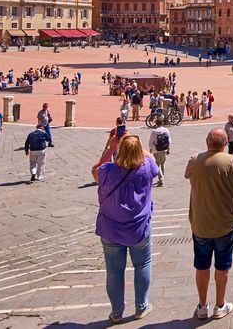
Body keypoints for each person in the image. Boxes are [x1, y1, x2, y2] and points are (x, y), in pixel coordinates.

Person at [92, 134, 160, 323]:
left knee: (114, 271)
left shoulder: (108, 171)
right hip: (139, 227)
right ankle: (141, 306)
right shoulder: (146, 168)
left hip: (110, 228)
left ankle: (116, 311)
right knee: (142, 265)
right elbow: (152, 158)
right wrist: (136, 146)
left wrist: (113, 147)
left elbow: (95, 169)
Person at [185, 128, 233, 320]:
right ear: (224, 144)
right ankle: (220, 304)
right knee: (222, 267)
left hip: (200, 224)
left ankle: (202, 306)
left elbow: (188, 175)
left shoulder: (194, 160)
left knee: (201, 266)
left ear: (207, 142)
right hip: (225, 224)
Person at [148, 121, 171, 187]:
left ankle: (161, 179)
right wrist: (168, 149)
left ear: (156, 123)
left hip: (156, 150)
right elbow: (169, 140)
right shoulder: (166, 130)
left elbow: (151, 141)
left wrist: (150, 149)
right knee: (162, 164)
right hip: (164, 149)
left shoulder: (154, 131)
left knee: (157, 165)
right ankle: (161, 178)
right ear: (162, 123)